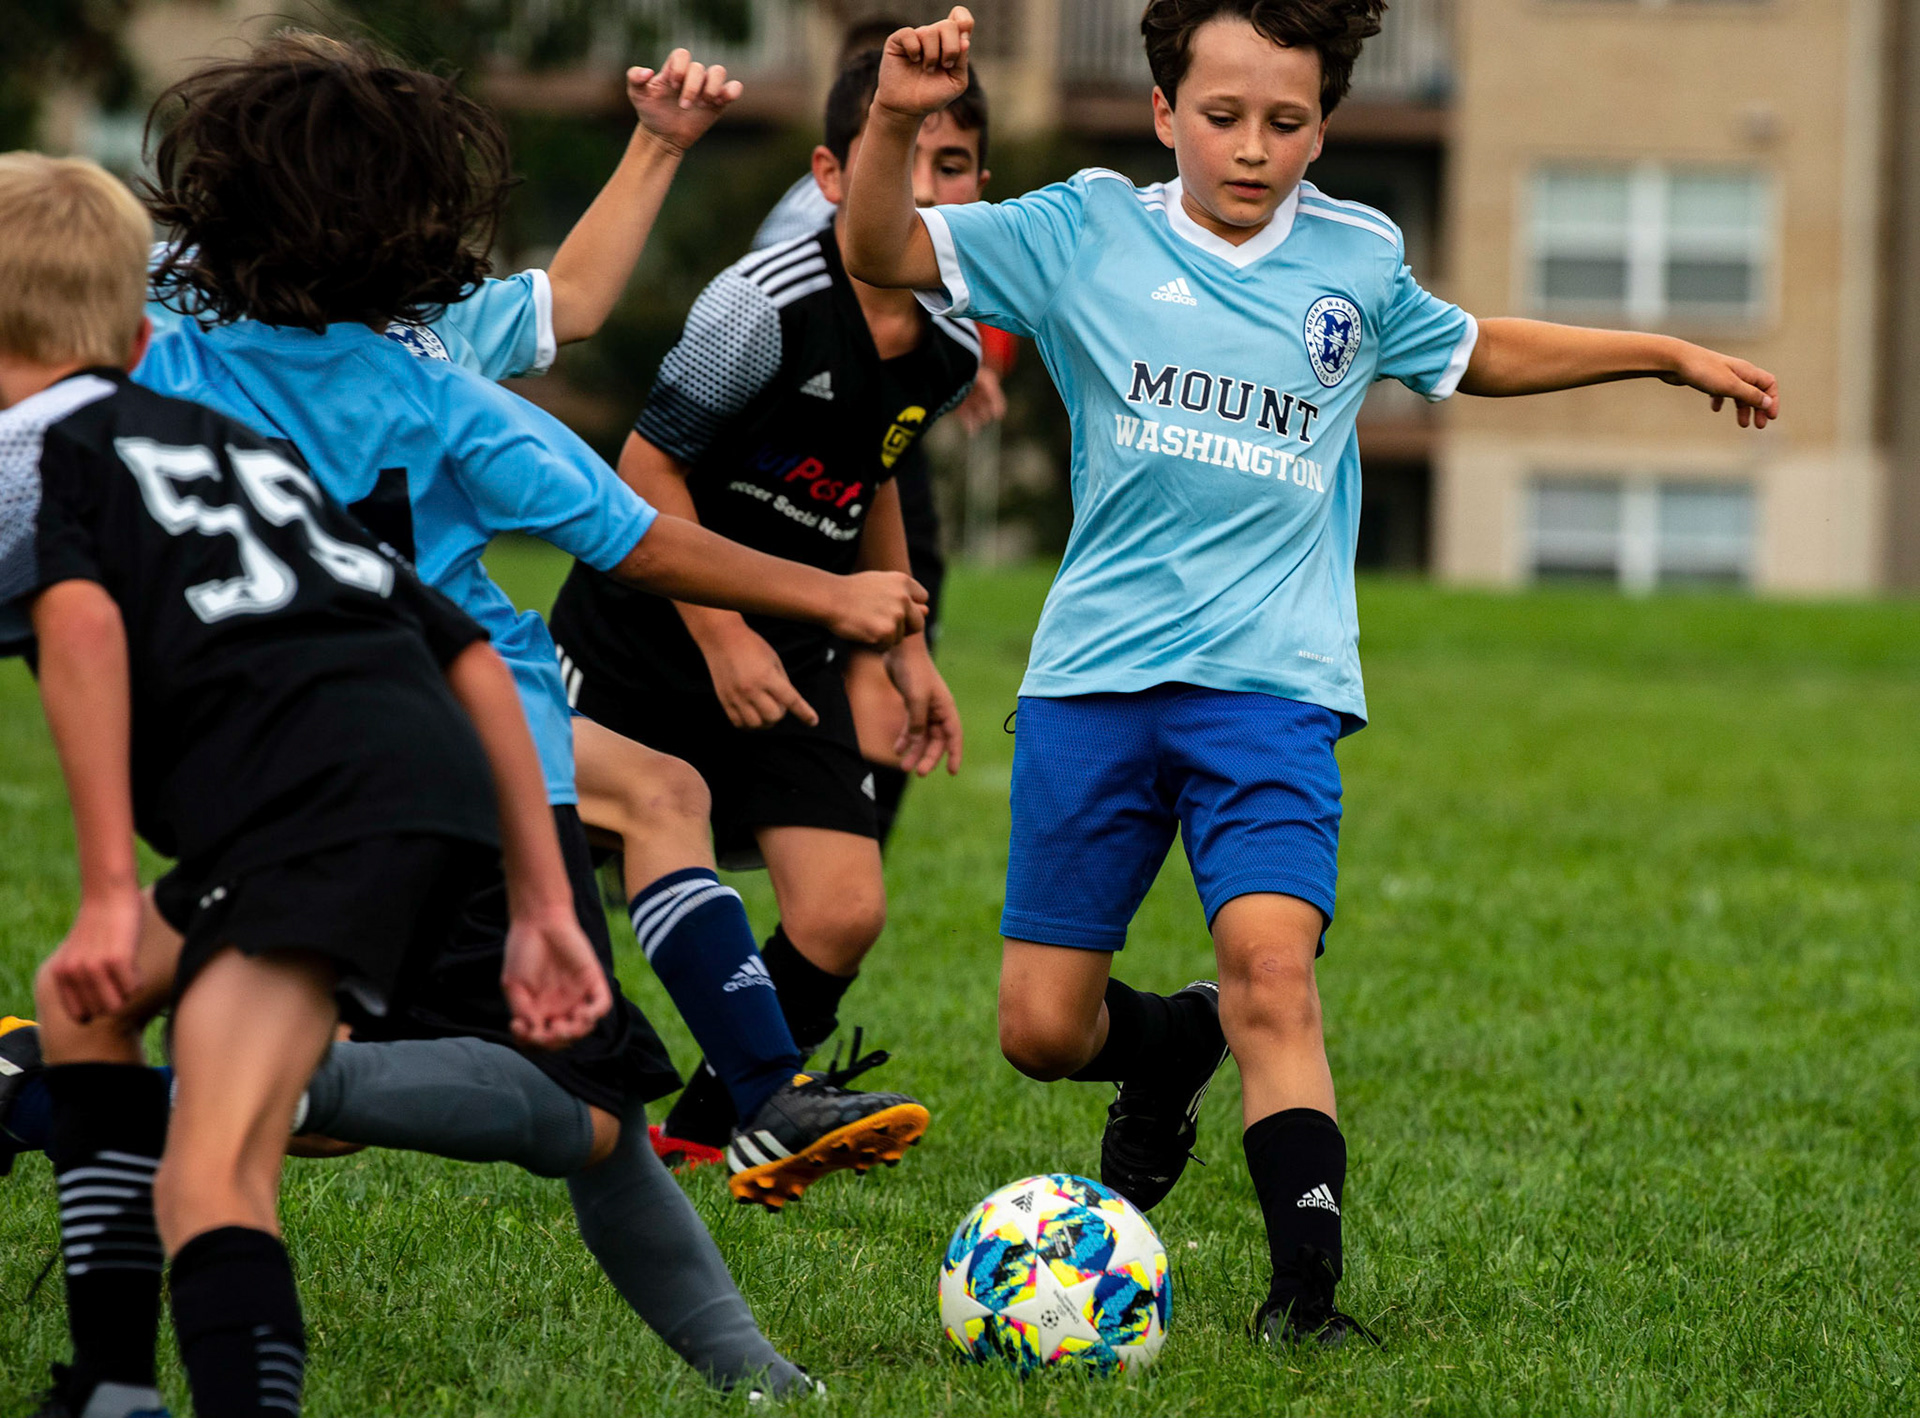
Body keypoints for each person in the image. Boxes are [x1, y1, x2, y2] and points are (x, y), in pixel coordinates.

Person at [843, 0, 1781, 1350]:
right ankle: (1167, 1047)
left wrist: (1664, 350)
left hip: (1272, 686)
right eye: (1222, 117)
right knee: (1043, 1031)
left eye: (1287, 122)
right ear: (1165, 111)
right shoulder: (1082, 231)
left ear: (1323, 125)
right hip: (1095, 679)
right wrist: (892, 117)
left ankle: (1305, 1298)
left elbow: (1472, 350)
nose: (1253, 148)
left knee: (1271, 972)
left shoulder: (1355, 254)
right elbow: (879, 246)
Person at [129, 33, 931, 1213]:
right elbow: (632, 529)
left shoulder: (173, 331)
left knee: (658, 799)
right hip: (441, 712)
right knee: (434, 1087)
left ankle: (764, 1091)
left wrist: (657, 144)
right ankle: (58, 1077)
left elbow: (570, 303)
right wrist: (829, 592)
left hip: (283, 723)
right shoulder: (425, 359)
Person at [0, 151, 609, 1418]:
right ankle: (110, 1383)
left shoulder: (31, 454)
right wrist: (545, 901)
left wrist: (111, 888)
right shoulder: (234, 445)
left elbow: (80, 626)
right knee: (84, 1018)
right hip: (424, 769)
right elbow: (462, 648)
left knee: (216, 1170)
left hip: (307, 808)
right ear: (134, 328)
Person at [545, 50, 980, 1169]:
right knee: (530, 890)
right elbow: (643, 469)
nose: (936, 191)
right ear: (836, 174)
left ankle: (709, 1128)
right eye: (916, 160)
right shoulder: (763, 301)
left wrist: (906, 650)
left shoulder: (954, 338)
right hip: (642, 636)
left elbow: (875, 472)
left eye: (961, 166)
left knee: (842, 910)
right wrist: (722, 633)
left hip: (793, 644)